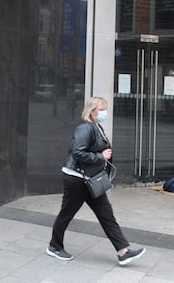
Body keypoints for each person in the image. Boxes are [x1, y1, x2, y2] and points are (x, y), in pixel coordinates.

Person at [47, 96, 146, 266]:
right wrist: (101, 156)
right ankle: (54, 246)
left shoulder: (96, 127)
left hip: (91, 179)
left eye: (105, 109)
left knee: (106, 215)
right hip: (77, 179)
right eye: (101, 109)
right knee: (66, 214)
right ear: (92, 111)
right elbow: (78, 152)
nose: (104, 113)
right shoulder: (85, 128)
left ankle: (123, 251)